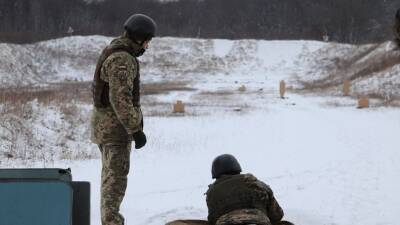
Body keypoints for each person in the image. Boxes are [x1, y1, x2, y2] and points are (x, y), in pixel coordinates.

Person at [90, 14, 157, 225]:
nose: (147, 45)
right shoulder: (122, 59)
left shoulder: (116, 50)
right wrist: (135, 129)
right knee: (115, 181)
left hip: (107, 127)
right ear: (138, 38)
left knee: (111, 177)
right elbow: (120, 99)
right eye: (147, 40)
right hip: (115, 130)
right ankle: (111, 222)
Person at [206, 154, 293, 225]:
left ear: (215, 173)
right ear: (237, 167)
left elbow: (212, 220)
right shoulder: (255, 183)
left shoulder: (212, 192)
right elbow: (277, 215)